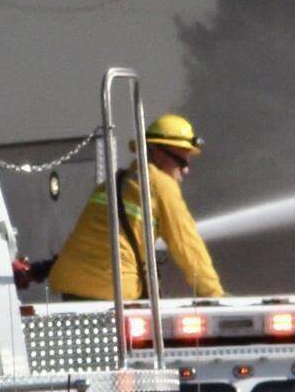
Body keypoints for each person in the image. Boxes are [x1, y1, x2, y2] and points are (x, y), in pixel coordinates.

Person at [47, 114, 224, 301]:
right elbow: (187, 244)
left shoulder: (114, 182)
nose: (186, 169)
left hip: (71, 286)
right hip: (112, 289)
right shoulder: (160, 183)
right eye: (182, 161)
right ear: (158, 152)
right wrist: (214, 295)